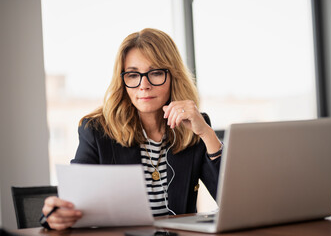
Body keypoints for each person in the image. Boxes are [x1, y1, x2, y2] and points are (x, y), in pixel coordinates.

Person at [41, 28, 223, 230]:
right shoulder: (97, 130)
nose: (143, 85)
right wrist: (55, 215)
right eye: (133, 74)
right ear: (123, 80)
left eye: (155, 73)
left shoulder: (193, 126)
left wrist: (206, 133)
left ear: (174, 76)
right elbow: (70, 201)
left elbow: (230, 200)